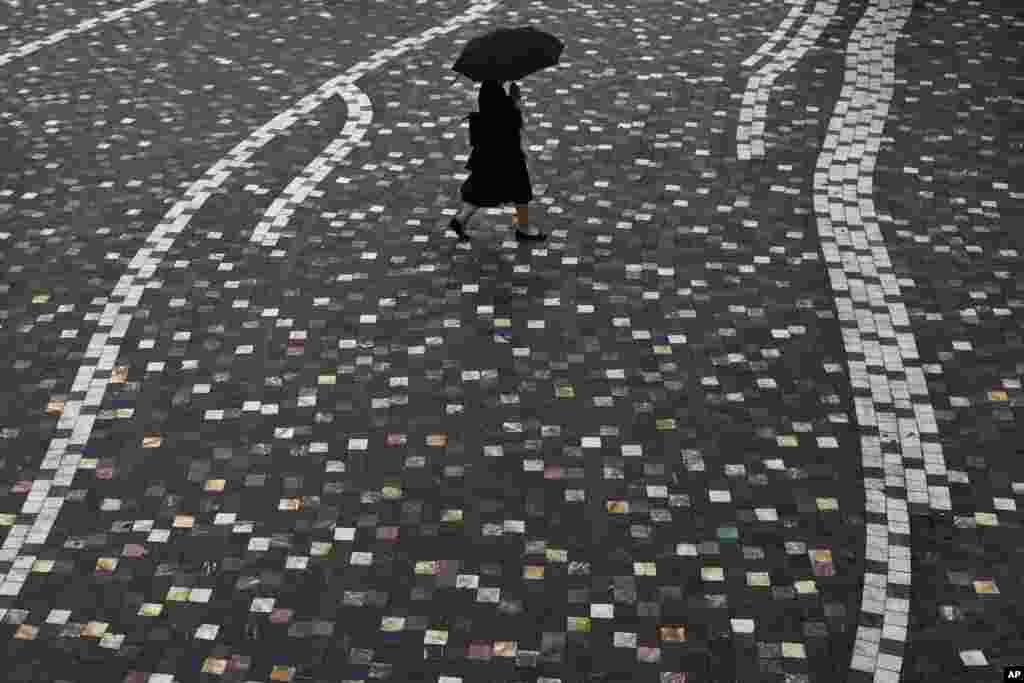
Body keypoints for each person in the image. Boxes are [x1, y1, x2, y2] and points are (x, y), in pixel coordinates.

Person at [449, 80, 546, 241]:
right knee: (520, 188)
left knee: (483, 185)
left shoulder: (490, 85)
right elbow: (509, 122)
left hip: (490, 150)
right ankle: (524, 227)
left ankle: (461, 219)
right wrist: (514, 103)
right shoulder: (501, 89)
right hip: (505, 151)